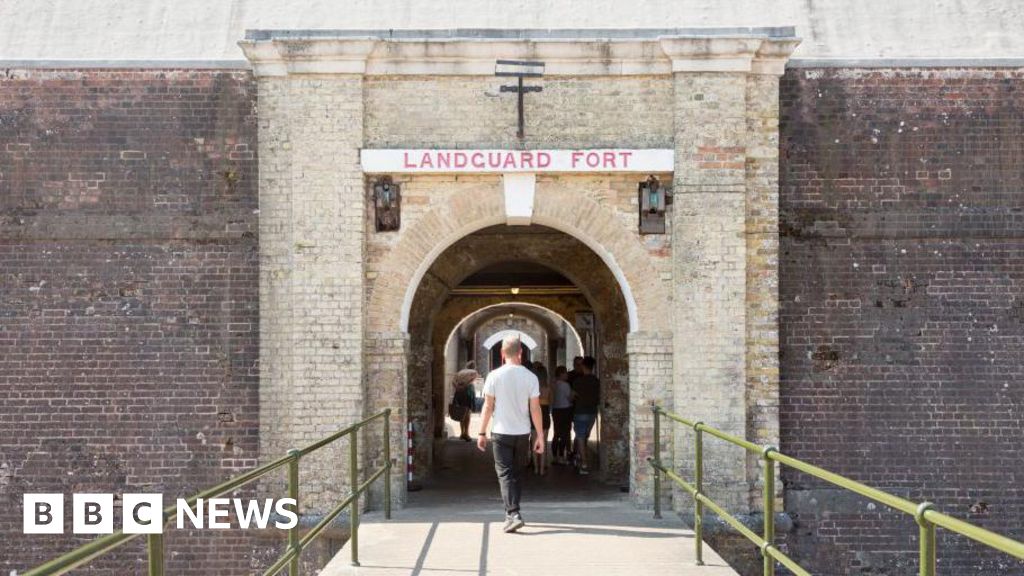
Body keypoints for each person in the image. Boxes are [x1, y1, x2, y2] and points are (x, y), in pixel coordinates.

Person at [477, 335, 544, 533]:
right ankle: (513, 512)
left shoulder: (494, 376)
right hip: (522, 433)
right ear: (521, 352)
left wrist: (481, 432)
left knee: (505, 474)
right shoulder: (531, 377)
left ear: (502, 353)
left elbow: (488, 406)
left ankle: (513, 513)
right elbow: (535, 409)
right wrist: (540, 435)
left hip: (501, 432)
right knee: (516, 474)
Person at [571, 356, 600, 475]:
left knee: (581, 437)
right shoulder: (596, 381)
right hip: (592, 413)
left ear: (583, 366)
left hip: (580, 412)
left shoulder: (578, 381)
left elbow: (572, 396)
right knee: (585, 436)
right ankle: (579, 455)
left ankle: (584, 463)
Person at [550, 365, 574, 465]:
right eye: (565, 372)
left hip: (555, 410)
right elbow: (570, 398)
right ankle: (561, 456)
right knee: (564, 434)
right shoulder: (565, 385)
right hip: (565, 410)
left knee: (556, 433)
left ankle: (555, 456)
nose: (567, 374)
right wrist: (573, 395)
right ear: (561, 374)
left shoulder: (553, 384)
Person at [531, 362, 551, 475]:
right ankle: (542, 469)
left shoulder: (533, 388)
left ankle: (535, 468)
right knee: (543, 442)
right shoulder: (548, 389)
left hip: (535, 414)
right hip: (545, 415)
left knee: (534, 442)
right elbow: (551, 402)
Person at [450, 368, 478, 441]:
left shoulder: (459, 373)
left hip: (459, 394)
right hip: (468, 393)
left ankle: (462, 433)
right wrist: (464, 386)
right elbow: (470, 382)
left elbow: (453, 381)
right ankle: (467, 433)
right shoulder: (473, 372)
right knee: (467, 414)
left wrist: (458, 387)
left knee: (461, 413)